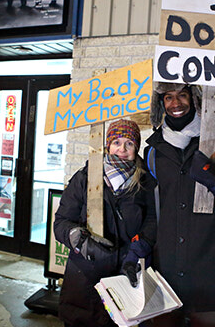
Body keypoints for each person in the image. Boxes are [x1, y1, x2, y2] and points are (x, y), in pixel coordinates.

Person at [145, 83, 215, 327]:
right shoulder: (153, 151)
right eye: (168, 97)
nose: (176, 104)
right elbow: (150, 211)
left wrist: (211, 175)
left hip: (210, 272)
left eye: (182, 95)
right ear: (160, 103)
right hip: (166, 273)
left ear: (194, 98)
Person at [54, 119, 155, 327]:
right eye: (117, 142)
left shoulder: (145, 182)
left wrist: (138, 249)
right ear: (108, 144)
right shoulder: (85, 178)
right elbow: (62, 222)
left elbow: (153, 221)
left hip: (124, 277)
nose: (122, 149)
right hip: (83, 279)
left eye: (129, 143)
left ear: (136, 147)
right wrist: (77, 238)